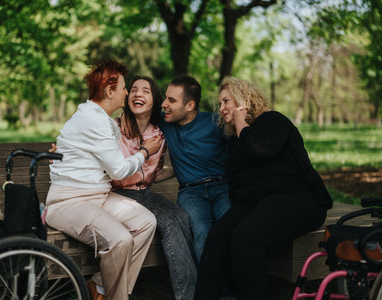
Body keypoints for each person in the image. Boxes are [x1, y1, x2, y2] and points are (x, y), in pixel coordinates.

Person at [194, 77, 332, 300]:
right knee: (217, 237)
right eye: (219, 104)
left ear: (243, 99)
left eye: (226, 101)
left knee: (245, 237)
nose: (221, 109)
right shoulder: (236, 140)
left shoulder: (273, 121)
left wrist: (240, 122)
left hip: (298, 199)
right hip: (258, 202)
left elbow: (259, 149)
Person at [45, 60, 162, 300]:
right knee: (120, 240)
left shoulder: (102, 120)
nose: (127, 93)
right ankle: (116, 297)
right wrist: (145, 152)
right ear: (109, 92)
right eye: (123, 88)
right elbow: (119, 170)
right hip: (70, 203)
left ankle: (100, 287)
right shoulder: (93, 120)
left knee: (146, 221)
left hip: (98, 197)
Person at [112, 75, 197, 300]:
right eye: (133, 90)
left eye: (145, 91)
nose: (137, 93)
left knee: (181, 216)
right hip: (119, 195)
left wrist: (184, 170)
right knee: (168, 222)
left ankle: (198, 288)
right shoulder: (115, 128)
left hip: (145, 193)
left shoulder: (158, 135)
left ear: (154, 101)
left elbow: (154, 174)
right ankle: (186, 296)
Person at [157, 75, 231, 262]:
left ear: (189, 106)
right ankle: (212, 289)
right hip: (191, 193)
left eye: (171, 100)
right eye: (166, 97)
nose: (164, 104)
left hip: (222, 187)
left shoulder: (215, 122)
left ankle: (236, 288)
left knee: (230, 227)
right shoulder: (165, 121)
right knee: (201, 231)